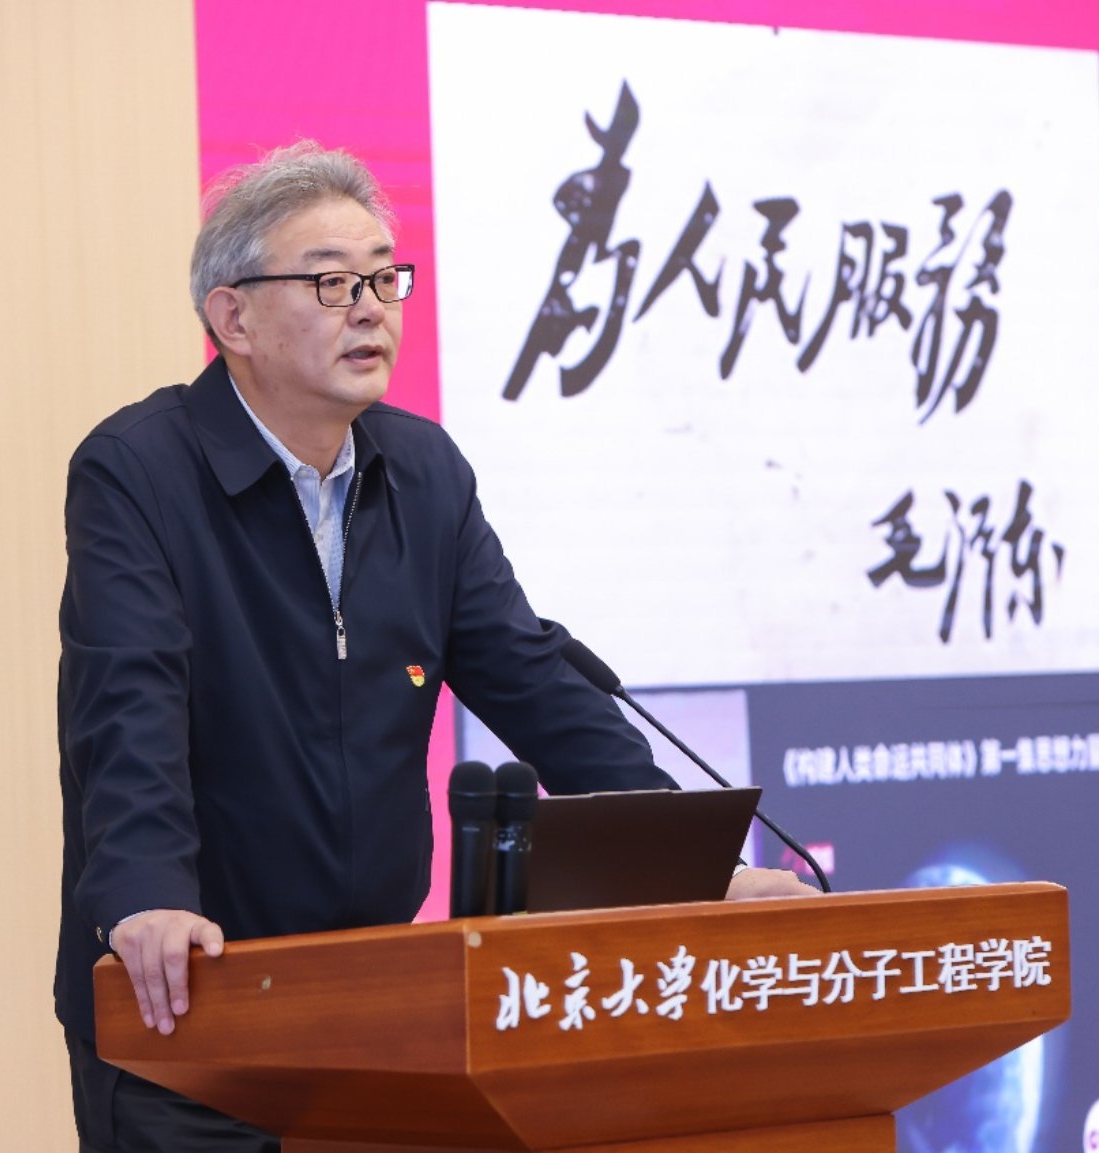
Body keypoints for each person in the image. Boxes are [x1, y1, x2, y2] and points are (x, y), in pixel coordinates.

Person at [55, 141, 813, 1153]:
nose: (369, 308)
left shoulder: (423, 470)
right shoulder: (139, 470)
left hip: (373, 999)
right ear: (231, 318)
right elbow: (127, 700)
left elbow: (532, 677)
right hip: (191, 1001)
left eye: (383, 278)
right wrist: (147, 892)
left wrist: (685, 861)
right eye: (330, 282)